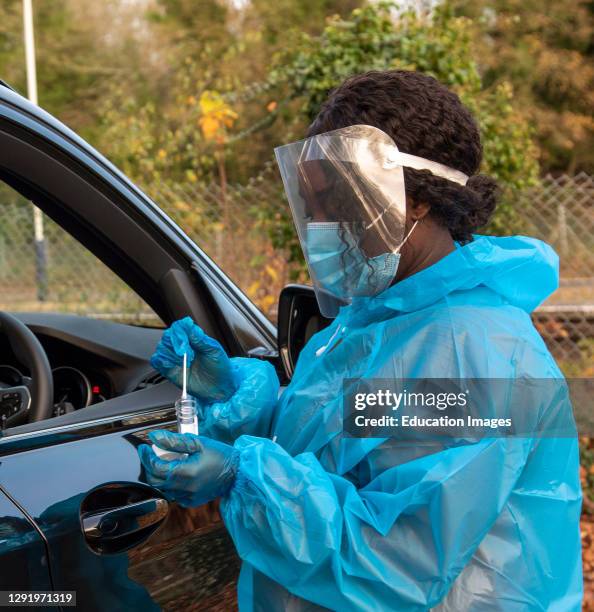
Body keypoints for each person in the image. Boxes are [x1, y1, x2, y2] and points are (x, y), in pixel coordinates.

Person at [139, 70, 582, 611]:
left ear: (414, 199)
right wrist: (244, 399)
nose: (320, 224)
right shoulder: (384, 314)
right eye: (313, 205)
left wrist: (242, 475)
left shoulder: (475, 349)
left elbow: (398, 558)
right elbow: (356, 441)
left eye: (335, 201)